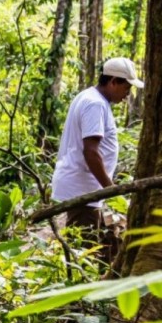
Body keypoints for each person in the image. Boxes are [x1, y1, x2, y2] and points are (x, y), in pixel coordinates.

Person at [51, 57, 144, 263]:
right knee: (85, 254)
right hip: (83, 191)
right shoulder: (94, 104)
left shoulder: (91, 98)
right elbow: (90, 152)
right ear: (113, 81)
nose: (128, 94)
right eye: (126, 88)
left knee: (99, 246)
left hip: (87, 191)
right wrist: (111, 190)